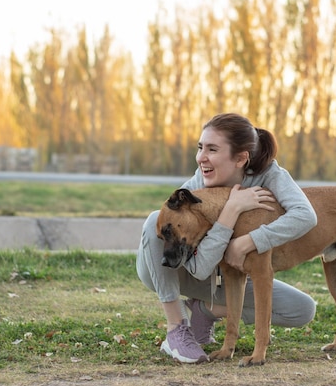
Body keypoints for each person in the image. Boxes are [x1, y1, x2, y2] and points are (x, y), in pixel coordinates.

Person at [136, 113, 318, 363]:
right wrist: (232, 210)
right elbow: (199, 269)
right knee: (154, 220)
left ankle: (204, 311)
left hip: (225, 277)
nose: (201, 157)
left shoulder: (269, 174)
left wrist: (250, 241)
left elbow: (306, 216)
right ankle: (176, 329)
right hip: (176, 273)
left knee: (303, 310)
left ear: (241, 158)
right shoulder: (197, 183)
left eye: (212, 149)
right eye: (200, 148)